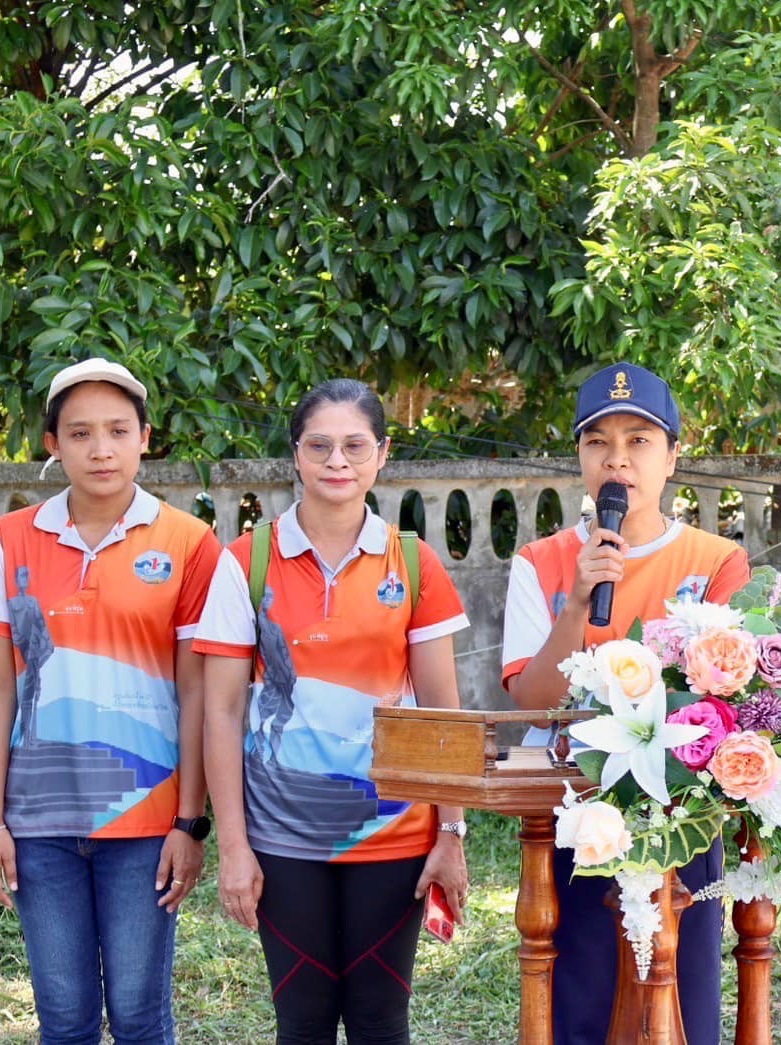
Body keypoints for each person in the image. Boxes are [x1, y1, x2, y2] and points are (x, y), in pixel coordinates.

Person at [194, 379, 471, 1045]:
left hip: (395, 831)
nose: (336, 461)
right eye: (319, 445)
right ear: (295, 453)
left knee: (380, 1020)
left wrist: (451, 832)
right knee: (303, 1021)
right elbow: (221, 712)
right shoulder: (246, 561)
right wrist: (233, 846)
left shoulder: (414, 561)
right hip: (281, 837)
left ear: (383, 454)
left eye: (355, 445)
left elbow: (443, 711)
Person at [0, 358, 222, 1045]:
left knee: (139, 1017)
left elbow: (197, 689)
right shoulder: (9, 539)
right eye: (80, 433)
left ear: (145, 438)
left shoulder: (189, 542)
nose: (101, 449)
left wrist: (189, 823)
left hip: (148, 824)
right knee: (65, 1020)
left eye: (117, 430)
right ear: (53, 444)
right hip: (37, 825)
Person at [502, 362, 750, 1045]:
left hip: (681, 813)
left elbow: (730, 695)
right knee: (581, 998)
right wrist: (577, 603)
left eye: (639, 440)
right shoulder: (541, 562)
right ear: (580, 458)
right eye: (598, 442)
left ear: (671, 457)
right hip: (575, 811)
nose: (617, 459)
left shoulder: (717, 561)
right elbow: (533, 703)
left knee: (679, 1003)